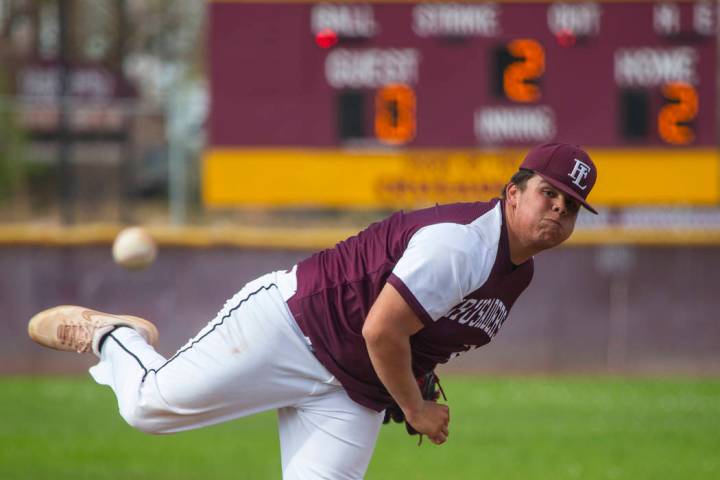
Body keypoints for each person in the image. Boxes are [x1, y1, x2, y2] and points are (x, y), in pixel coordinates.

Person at [28, 142, 598, 479]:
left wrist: (417, 378)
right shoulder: (464, 242)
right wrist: (416, 408)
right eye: (549, 193)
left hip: (352, 390)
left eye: (570, 207)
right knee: (149, 407)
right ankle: (115, 335)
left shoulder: (517, 271)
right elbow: (382, 330)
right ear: (513, 191)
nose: (557, 211)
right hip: (293, 328)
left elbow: (416, 333)